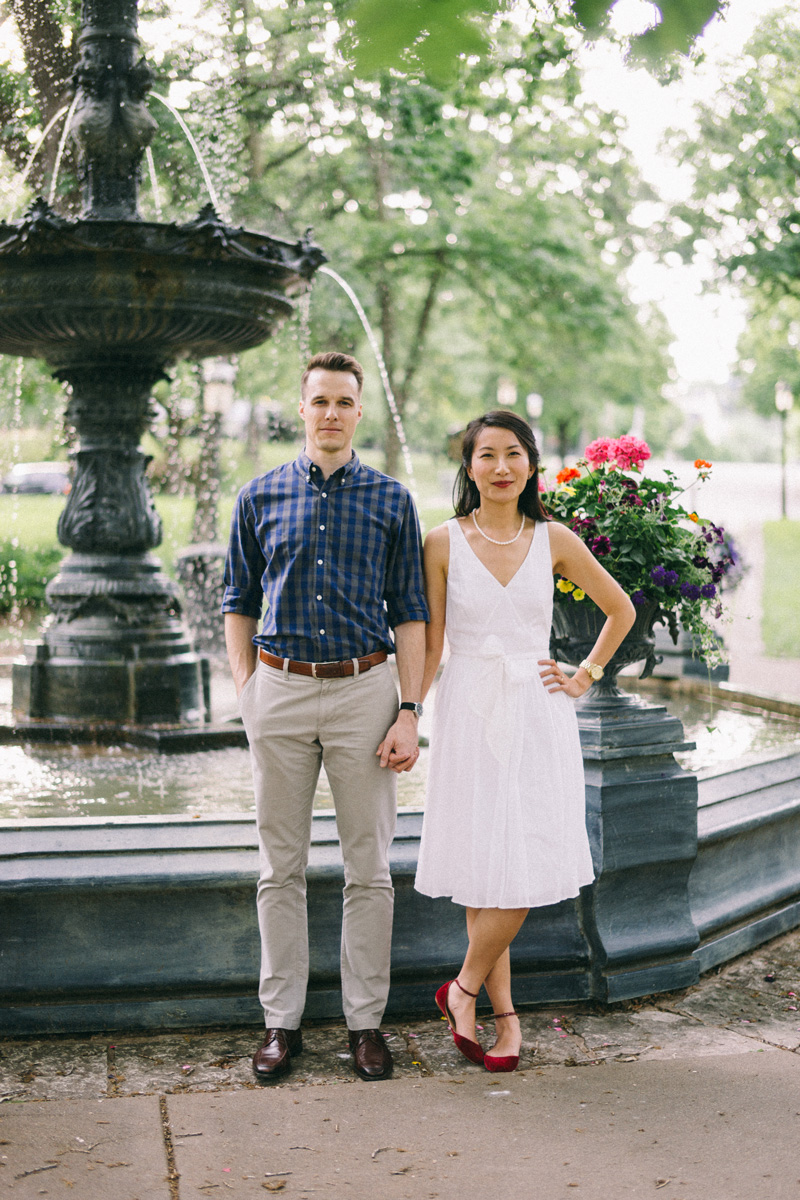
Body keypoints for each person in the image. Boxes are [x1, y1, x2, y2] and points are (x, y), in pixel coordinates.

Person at [222, 351, 428, 1083]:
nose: (332, 413)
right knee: (279, 866)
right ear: (301, 408)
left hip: (363, 692)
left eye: (345, 401)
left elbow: (410, 614)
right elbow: (238, 603)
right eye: (320, 401)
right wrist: (248, 690)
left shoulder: (391, 501)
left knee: (368, 868)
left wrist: (409, 709)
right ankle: (281, 1024)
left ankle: (364, 1025)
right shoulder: (259, 496)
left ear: (359, 411)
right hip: (278, 688)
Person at [415, 410, 635, 1073]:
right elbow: (430, 645)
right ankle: (503, 1019)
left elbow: (620, 609)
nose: (501, 467)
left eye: (514, 454)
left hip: (539, 711)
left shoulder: (555, 538)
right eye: (487, 455)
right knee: (487, 867)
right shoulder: (441, 543)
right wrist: (406, 714)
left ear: (532, 465)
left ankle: (461, 990)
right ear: (469, 466)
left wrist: (584, 675)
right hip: (466, 709)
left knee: (528, 858)